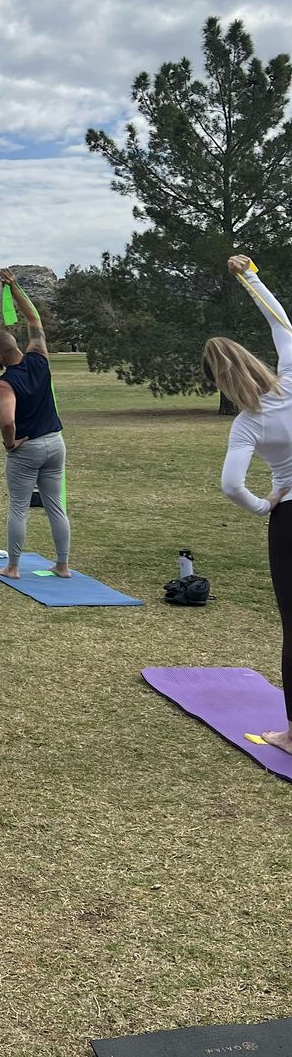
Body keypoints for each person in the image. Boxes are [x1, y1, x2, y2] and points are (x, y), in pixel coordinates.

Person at [206, 255, 292, 754]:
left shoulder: (249, 424)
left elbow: (230, 485)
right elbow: (279, 321)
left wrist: (265, 505)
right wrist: (249, 275)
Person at [0, 270, 72, 580]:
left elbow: (7, 420)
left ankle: (13, 567)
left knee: (19, 507)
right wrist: (14, 286)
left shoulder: (5, 381)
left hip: (28, 448)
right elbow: (34, 318)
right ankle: (62, 566)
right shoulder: (39, 356)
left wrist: (10, 443)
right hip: (55, 443)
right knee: (55, 506)